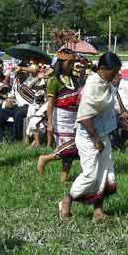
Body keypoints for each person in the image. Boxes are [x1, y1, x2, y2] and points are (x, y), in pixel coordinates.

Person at [58, 52, 122, 222]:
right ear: (102, 69)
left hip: (102, 135)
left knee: (104, 173)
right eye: (113, 73)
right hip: (89, 136)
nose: (115, 76)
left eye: (117, 73)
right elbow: (85, 117)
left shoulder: (105, 83)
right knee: (91, 175)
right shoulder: (93, 86)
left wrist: (121, 115)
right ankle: (67, 200)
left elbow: (109, 103)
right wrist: (95, 140)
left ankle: (98, 212)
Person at [37, 48, 80, 183]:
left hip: (74, 117)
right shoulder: (54, 80)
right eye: (69, 62)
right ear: (61, 62)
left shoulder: (75, 80)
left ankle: (63, 179)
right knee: (67, 149)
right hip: (60, 117)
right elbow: (50, 104)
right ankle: (44, 159)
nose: (71, 65)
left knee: (72, 150)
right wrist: (50, 123)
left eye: (73, 63)